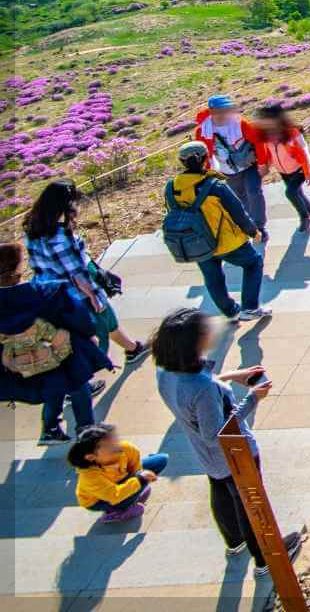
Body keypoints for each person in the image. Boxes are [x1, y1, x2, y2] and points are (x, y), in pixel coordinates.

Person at [152, 306, 301, 573]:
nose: (211, 331)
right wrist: (253, 398)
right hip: (236, 455)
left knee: (221, 491)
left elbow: (195, 396)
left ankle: (234, 542)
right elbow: (216, 434)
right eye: (204, 331)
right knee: (250, 503)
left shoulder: (165, 373)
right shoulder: (203, 388)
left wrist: (233, 376)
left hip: (206, 457)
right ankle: (266, 558)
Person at [0, 241, 113, 445]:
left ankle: (50, 428)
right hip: (59, 353)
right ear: (17, 266)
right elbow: (78, 318)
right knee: (77, 383)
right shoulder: (47, 292)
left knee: (53, 385)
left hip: (21, 361)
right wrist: (89, 334)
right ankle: (86, 430)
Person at [25, 179, 146, 363]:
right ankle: (89, 377)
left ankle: (132, 348)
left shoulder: (34, 228)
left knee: (108, 320)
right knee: (99, 333)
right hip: (79, 296)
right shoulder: (60, 238)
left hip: (53, 294)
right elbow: (78, 272)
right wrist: (95, 295)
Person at [168, 143, 270, 322]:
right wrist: (254, 232)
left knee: (212, 276)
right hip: (226, 241)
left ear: (182, 162)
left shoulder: (171, 188)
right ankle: (250, 308)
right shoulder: (215, 185)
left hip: (196, 242)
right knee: (253, 263)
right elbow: (238, 211)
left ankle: (230, 312)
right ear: (206, 158)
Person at [193, 95, 269, 236]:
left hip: (249, 165)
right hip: (227, 171)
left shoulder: (240, 123)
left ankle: (260, 226)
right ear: (211, 111)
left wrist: (263, 163)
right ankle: (251, 224)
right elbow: (203, 153)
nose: (221, 114)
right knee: (240, 197)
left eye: (225, 110)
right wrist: (206, 173)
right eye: (217, 111)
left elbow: (259, 141)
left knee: (254, 192)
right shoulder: (203, 130)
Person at [70, 422, 168, 523]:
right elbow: (114, 495)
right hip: (100, 499)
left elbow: (136, 469)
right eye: (109, 446)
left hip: (122, 479)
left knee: (161, 460)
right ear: (91, 457)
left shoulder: (125, 448)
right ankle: (117, 512)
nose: (117, 447)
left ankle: (132, 498)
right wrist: (141, 480)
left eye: (115, 441)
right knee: (135, 485)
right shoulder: (89, 475)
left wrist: (138, 479)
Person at [255, 105, 310, 233]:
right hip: (283, 172)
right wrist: (264, 168)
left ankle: (305, 218)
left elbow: (304, 152)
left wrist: (308, 171)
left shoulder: (292, 133)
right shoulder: (265, 136)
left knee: (290, 192)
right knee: (297, 193)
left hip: (299, 169)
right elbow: (268, 154)